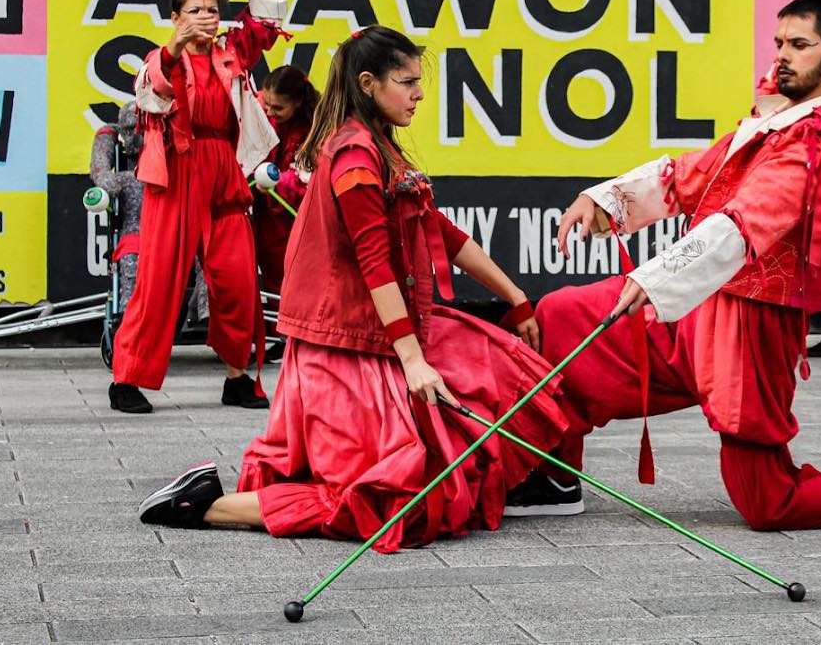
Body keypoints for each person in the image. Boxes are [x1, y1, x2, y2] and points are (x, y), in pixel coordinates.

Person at [509, 0, 821, 530]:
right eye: (779, 43)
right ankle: (554, 475)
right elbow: (694, 174)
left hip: (751, 323)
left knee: (767, 502)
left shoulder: (819, 141)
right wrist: (604, 199)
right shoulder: (773, 122)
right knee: (561, 317)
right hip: (699, 302)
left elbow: (745, 222)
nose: (783, 56)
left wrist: (657, 278)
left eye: (800, 45)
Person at [136, 27, 567, 550]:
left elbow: (443, 233)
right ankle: (204, 506)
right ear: (368, 83)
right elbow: (374, 264)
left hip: (375, 336)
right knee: (390, 506)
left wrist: (516, 296)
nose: (419, 93)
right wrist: (412, 360)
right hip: (341, 350)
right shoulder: (355, 159)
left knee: (494, 371)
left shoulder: (380, 146)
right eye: (407, 82)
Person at [107, 0, 286, 414]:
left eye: (212, 9)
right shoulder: (161, 58)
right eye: (195, 10)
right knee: (159, 280)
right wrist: (174, 44)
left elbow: (269, 8)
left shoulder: (233, 52)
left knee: (237, 280)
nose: (207, 17)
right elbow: (152, 92)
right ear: (175, 17)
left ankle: (237, 376)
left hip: (223, 172)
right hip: (177, 177)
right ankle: (127, 378)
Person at [90, 102, 210, 323]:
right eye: (129, 130)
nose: (136, 136)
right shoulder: (110, 136)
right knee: (131, 257)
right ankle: (131, 317)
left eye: (140, 130)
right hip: (136, 226)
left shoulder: (178, 139)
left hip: (176, 219)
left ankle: (206, 314)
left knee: (208, 249)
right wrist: (129, 180)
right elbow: (103, 177)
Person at [253, 65, 319, 362]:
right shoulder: (260, 113)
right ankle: (278, 333)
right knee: (270, 275)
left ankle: (298, 335)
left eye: (278, 107)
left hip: (297, 217)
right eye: (266, 104)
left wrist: (278, 181)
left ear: (298, 102)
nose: (270, 111)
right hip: (267, 216)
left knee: (297, 277)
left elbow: (311, 177)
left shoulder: (316, 128)